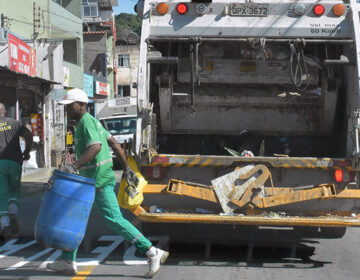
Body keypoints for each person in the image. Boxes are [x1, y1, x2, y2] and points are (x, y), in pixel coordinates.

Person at [47, 88, 169, 278]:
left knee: (114, 220)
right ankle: (67, 260)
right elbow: (113, 143)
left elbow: (96, 147)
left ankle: (151, 251)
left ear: (81, 105)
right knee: (74, 218)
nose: (66, 110)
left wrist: (75, 165)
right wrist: (127, 168)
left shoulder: (86, 123)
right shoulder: (91, 122)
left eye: (70, 106)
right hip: (89, 182)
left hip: (99, 182)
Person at [0, 103, 33, 240]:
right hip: (15, 163)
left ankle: (5, 224)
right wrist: (26, 151)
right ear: (5, 111)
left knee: (1, 195)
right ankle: (12, 211)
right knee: (14, 191)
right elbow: (29, 135)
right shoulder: (15, 123)